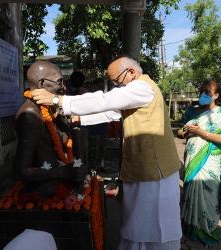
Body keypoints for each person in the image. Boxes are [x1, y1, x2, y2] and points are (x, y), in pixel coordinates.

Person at [31, 54, 182, 249]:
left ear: (132, 73)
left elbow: (104, 100)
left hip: (155, 172)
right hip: (142, 168)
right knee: (137, 224)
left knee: (153, 227)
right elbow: (108, 112)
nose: (115, 86)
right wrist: (80, 119)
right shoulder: (133, 91)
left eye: (116, 81)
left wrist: (58, 100)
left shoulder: (142, 87)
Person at [177, 80, 221, 250]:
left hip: (211, 162)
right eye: (201, 91)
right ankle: (189, 228)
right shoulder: (192, 111)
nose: (203, 94)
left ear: (216, 95)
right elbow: (180, 132)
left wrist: (202, 132)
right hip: (191, 159)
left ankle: (208, 233)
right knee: (190, 193)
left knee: (209, 198)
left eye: (207, 92)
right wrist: (186, 132)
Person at [13, 61, 87, 195]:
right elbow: (20, 171)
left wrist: (73, 128)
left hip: (62, 186)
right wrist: (62, 172)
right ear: (42, 84)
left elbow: (66, 142)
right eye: (60, 82)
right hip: (44, 194)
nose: (64, 88)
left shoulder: (50, 110)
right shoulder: (31, 115)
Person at [65, 71, 89, 166]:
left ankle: (84, 169)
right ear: (70, 81)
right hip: (66, 126)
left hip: (81, 126)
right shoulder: (62, 91)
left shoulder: (84, 92)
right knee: (67, 148)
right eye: (75, 85)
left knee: (82, 148)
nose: (77, 88)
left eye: (79, 86)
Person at [87, 78, 110, 173]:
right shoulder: (88, 97)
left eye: (102, 86)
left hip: (104, 129)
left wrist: (114, 129)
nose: (101, 88)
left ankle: (98, 170)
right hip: (93, 129)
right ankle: (93, 172)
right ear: (93, 86)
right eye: (99, 86)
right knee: (93, 152)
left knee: (102, 151)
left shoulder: (105, 97)